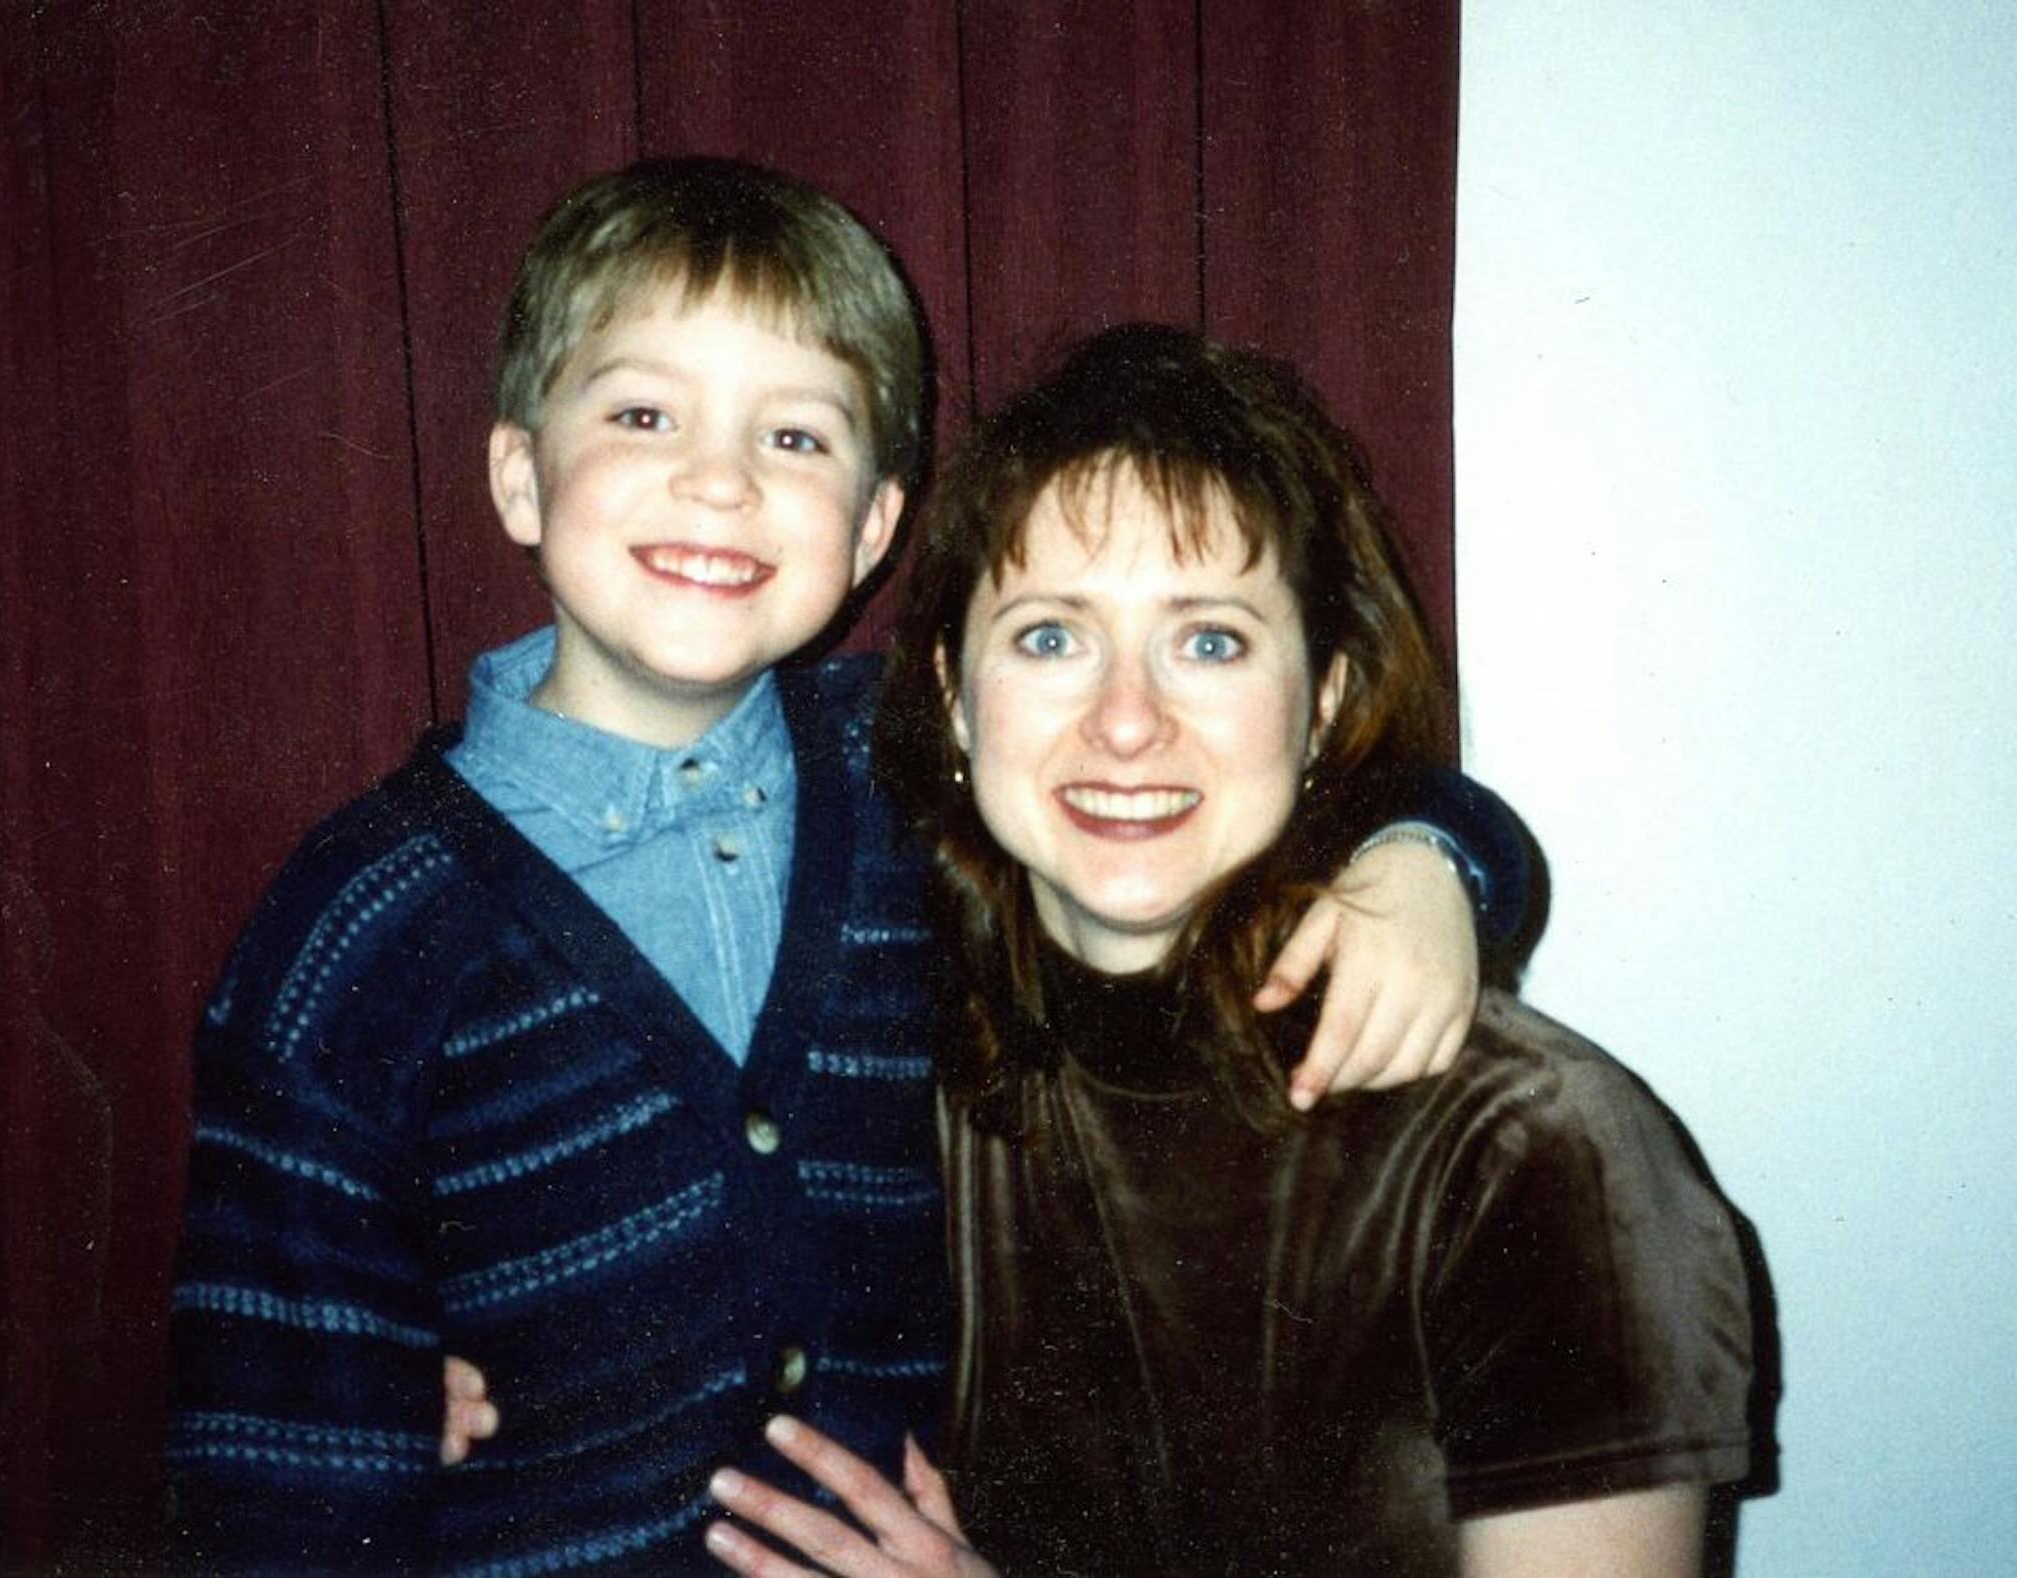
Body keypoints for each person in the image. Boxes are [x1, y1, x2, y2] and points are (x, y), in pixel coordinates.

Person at [165, 159, 1530, 1575]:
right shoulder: (353, 923)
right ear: (520, 474)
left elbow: (1260, 786)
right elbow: (273, 1464)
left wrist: (1428, 855)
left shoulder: (916, 774)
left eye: (798, 439)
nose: (718, 478)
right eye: (644, 413)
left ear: (876, 526)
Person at [698, 325, 1757, 1575]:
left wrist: (1431, 842)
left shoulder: (1528, 1147)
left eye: (1209, 641)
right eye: (1050, 636)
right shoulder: (877, 1039)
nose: (1127, 721)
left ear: (1323, 704)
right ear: (952, 696)